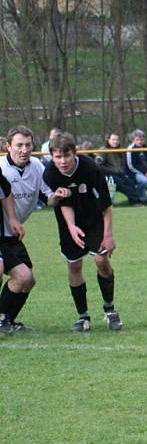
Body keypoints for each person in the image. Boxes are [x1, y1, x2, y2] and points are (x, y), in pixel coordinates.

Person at [44, 133, 122, 332]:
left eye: (66, 156)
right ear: (52, 156)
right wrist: (71, 227)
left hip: (94, 218)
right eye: (57, 157)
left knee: (101, 260)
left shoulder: (91, 168)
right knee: (74, 265)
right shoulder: (51, 173)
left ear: (74, 153)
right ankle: (83, 316)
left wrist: (108, 235)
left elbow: (105, 204)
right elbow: (64, 203)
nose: (62, 161)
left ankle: (110, 309)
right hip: (68, 222)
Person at [0, 125, 64, 335]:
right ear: (8, 146)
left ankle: (7, 320)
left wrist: (59, 195)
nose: (24, 149)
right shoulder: (1, 167)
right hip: (2, 234)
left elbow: (48, 198)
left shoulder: (36, 166)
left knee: (28, 281)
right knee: (22, 276)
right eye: (19, 145)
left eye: (28, 145)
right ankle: (3, 320)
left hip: (13, 235)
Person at [96, 133, 145, 206]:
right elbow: (98, 165)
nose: (115, 141)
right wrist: (112, 170)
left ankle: (136, 200)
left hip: (118, 174)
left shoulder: (119, 150)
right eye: (113, 140)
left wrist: (121, 171)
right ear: (108, 140)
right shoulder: (103, 150)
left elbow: (122, 165)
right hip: (106, 175)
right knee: (120, 183)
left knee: (130, 182)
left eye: (117, 140)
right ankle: (137, 201)